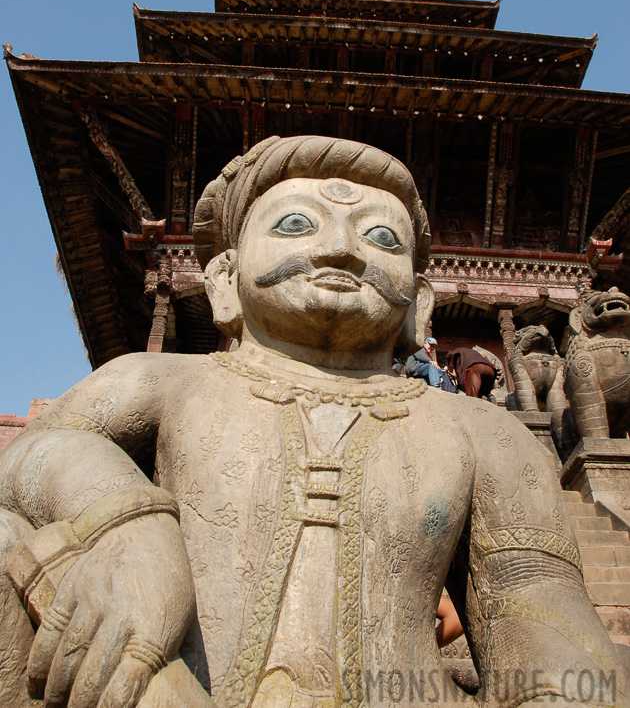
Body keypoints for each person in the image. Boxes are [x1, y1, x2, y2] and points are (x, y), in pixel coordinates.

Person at [0, 135, 624, 708]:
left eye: (381, 238)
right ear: (224, 277)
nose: (339, 249)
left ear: (421, 301)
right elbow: (42, 448)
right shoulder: (160, 381)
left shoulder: (487, 434)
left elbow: (541, 610)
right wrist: (127, 530)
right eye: (296, 224)